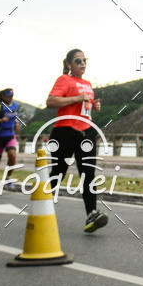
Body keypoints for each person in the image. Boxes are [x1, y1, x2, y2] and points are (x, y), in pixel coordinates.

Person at [46, 48, 107, 233]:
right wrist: (77, 98)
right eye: (78, 61)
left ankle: (92, 214)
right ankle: (41, 208)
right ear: (68, 64)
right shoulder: (63, 80)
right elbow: (51, 102)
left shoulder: (87, 83)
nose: (82, 64)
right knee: (58, 172)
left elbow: (83, 107)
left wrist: (93, 105)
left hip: (86, 132)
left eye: (84, 60)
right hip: (65, 131)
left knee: (88, 174)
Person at [0, 88, 19, 192]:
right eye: (8, 96)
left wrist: (16, 125)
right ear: (3, 96)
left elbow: (15, 118)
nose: (10, 98)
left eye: (12, 96)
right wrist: (1, 120)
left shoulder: (15, 106)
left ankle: (8, 178)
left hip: (10, 135)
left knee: (12, 155)